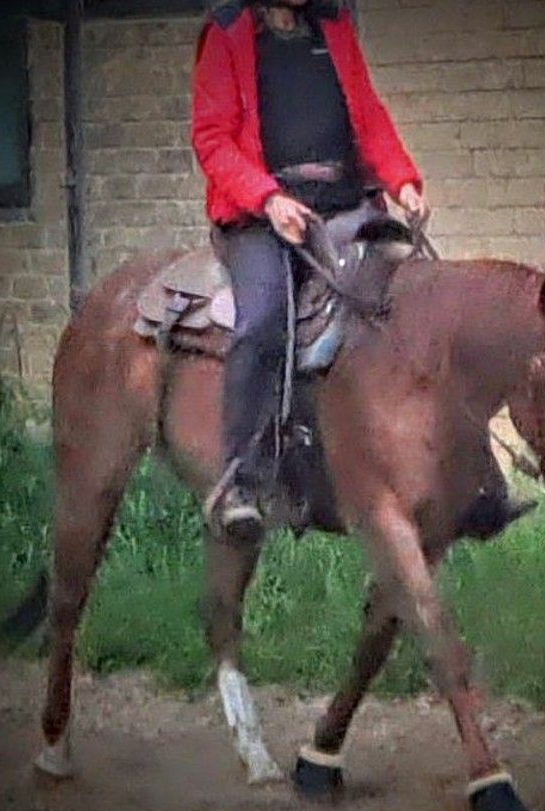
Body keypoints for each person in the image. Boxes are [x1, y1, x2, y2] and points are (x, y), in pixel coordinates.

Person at [191, 0, 428, 540]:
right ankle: (243, 483)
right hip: (262, 214)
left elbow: (368, 117)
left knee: (402, 297)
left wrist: (402, 181)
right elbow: (212, 140)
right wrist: (268, 199)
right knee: (264, 317)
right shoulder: (227, 32)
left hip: (344, 203)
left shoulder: (334, 23)